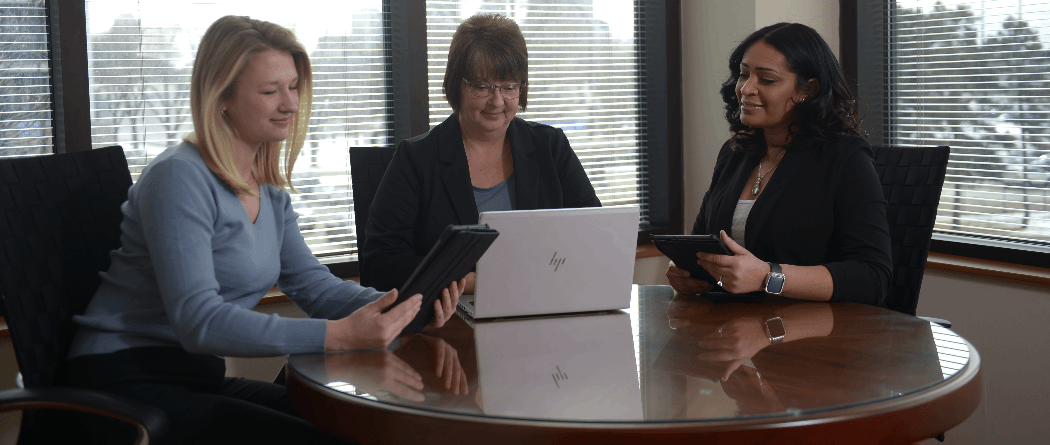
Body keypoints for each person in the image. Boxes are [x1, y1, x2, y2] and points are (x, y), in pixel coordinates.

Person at [64, 15, 465, 445]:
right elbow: (197, 320)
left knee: (363, 425)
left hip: (195, 377)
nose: (290, 104)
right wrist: (337, 335)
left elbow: (314, 286)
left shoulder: (267, 187)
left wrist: (403, 306)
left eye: (293, 87)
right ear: (221, 98)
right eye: (270, 91)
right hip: (123, 381)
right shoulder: (178, 178)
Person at [361, 13, 601, 293]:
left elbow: (593, 237)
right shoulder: (416, 160)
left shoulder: (551, 147)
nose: (497, 101)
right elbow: (379, 266)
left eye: (509, 86)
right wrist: (470, 283)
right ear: (456, 85)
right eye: (482, 86)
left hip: (543, 305)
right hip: (450, 319)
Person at [666, 23, 892, 306]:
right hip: (736, 329)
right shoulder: (735, 153)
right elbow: (702, 243)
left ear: (807, 91)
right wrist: (687, 273)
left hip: (814, 334)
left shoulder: (844, 157)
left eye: (767, 80)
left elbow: (872, 276)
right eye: (744, 75)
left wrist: (767, 277)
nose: (746, 89)